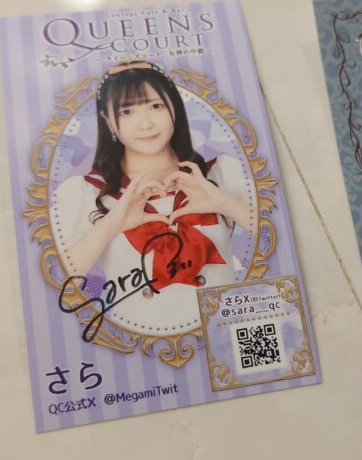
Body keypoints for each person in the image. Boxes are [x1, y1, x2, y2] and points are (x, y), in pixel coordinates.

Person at [51, 60, 255, 336]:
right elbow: (56, 283)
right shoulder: (86, 193)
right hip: (143, 348)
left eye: (155, 106)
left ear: (174, 107)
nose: (145, 123)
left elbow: (280, 235)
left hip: (227, 338)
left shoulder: (220, 174)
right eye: (127, 111)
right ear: (108, 120)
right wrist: (111, 225)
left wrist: (223, 203)